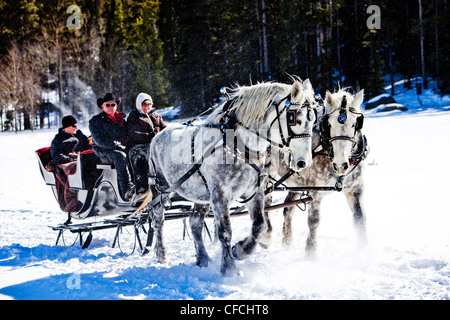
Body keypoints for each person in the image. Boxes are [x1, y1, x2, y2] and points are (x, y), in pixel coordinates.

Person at [89, 93, 135, 201]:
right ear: (102, 106)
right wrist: (117, 146)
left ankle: (142, 185)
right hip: (103, 150)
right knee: (120, 156)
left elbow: (127, 136)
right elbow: (100, 141)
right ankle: (127, 190)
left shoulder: (122, 120)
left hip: (120, 148)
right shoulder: (96, 121)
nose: (110, 107)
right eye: (107, 105)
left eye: (112, 105)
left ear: (116, 106)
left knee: (137, 153)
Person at [127, 92, 167, 193]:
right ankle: (143, 187)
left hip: (156, 144)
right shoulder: (134, 117)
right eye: (144, 105)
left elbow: (165, 128)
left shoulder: (156, 116)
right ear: (139, 105)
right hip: (140, 146)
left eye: (149, 105)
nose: (146, 107)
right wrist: (150, 136)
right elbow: (133, 133)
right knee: (147, 157)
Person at [50, 115, 90, 213]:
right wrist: (72, 158)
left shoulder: (78, 135)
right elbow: (57, 156)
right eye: (74, 126)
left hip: (82, 158)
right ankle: (71, 201)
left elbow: (87, 144)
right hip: (66, 162)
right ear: (67, 127)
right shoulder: (58, 139)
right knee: (76, 168)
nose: (76, 128)